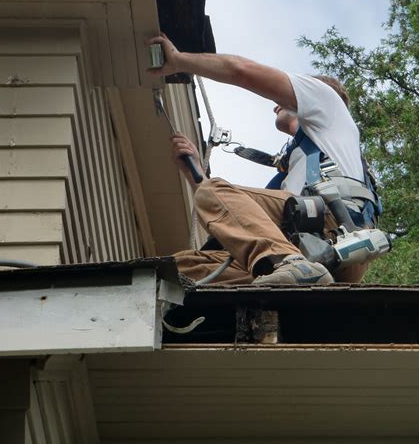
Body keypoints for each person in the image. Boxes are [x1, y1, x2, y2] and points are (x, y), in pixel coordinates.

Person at [147, 33, 371, 286]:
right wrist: (195, 171)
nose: (276, 104)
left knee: (214, 191)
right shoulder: (300, 167)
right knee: (181, 269)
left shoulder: (327, 100)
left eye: (284, 97)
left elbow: (241, 71)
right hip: (320, 252)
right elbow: (234, 214)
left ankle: (293, 265)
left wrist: (178, 61)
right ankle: (291, 269)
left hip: (328, 231)